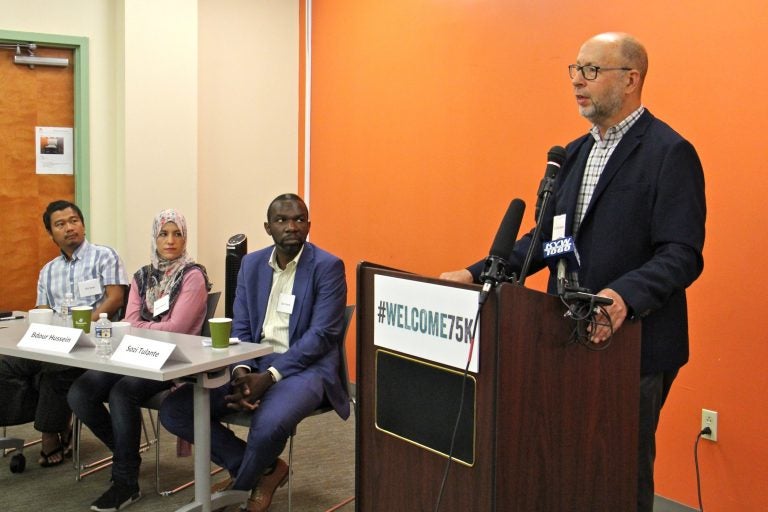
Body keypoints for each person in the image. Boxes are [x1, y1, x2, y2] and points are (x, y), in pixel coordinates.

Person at [440, 33, 705, 512]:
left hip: (632, 342)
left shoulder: (669, 152)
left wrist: (622, 296)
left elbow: (681, 253)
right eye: (575, 70)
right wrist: (476, 273)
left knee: (618, 469)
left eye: (592, 71)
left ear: (631, 79)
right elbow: (549, 240)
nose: (577, 81)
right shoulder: (575, 154)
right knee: (565, 458)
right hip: (560, 331)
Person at [160, 193, 349, 512]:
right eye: (282, 220)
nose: (291, 226)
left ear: (308, 225)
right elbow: (243, 326)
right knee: (176, 409)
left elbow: (322, 335)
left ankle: (239, 487)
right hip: (253, 361)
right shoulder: (251, 264)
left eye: (299, 219)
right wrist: (242, 371)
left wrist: (271, 376)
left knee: (268, 423)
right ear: (267, 227)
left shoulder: (327, 266)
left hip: (305, 369)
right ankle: (266, 470)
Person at [67, 208, 210, 511]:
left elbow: (177, 330)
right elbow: (130, 322)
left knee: (122, 392)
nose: (170, 240)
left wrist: (143, 327)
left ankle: (125, 481)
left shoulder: (193, 275)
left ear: (185, 238)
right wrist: (147, 327)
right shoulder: (142, 276)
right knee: (80, 392)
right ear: (154, 238)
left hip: (174, 360)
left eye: (177, 233)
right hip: (133, 354)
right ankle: (125, 453)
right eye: (163, 233)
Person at [0, 200, 128, 468]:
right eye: (60, 224)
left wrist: (80, 328)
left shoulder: (105, 256)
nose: (69, 228)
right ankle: (47, 419)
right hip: (54, 345)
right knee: (6, 364)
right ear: (51, 233)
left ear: (82, 224)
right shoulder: (48, 270)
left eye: (74, 221)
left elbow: (114, 299)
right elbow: (43, 311)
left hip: (93, 346)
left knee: (54, 369)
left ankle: (49, 434)